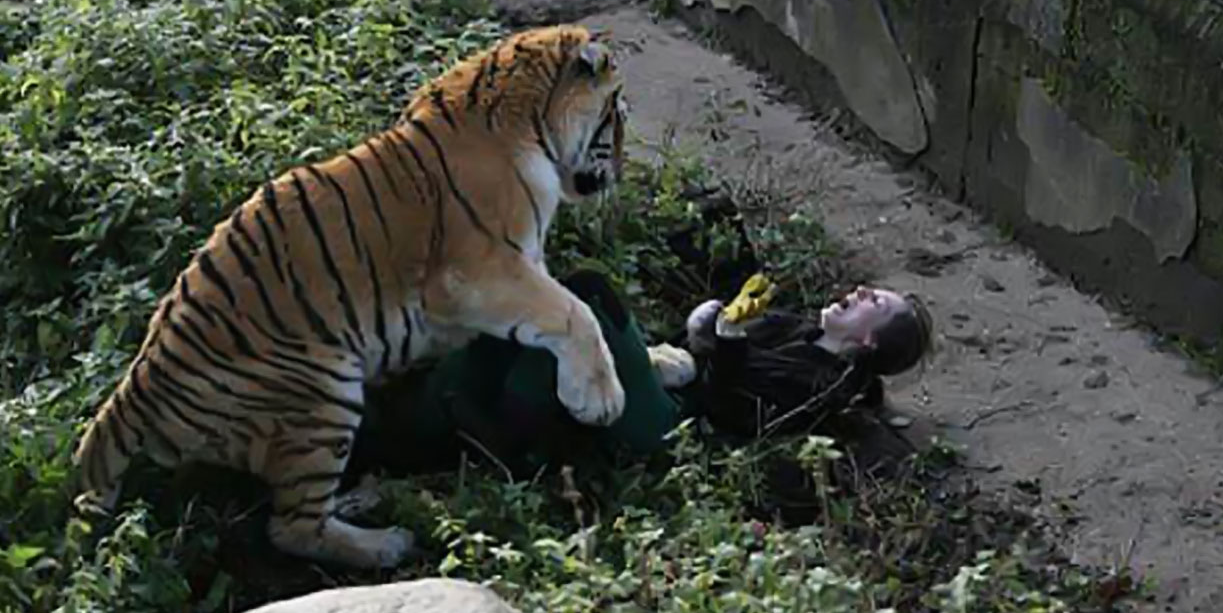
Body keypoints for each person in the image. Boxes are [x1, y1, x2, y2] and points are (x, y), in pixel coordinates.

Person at [349, 270, 934, 479]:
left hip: (673, 428)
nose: (856, 293)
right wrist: (704, 330)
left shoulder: (828, 384)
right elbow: (699, 346)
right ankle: (429, 421)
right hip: (664, 381)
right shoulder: (791, 324)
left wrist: (723, 348)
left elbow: (739, 410)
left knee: (586, 297)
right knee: (542, 337)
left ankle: (503, 442)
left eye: (871, 302)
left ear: (867, 340)